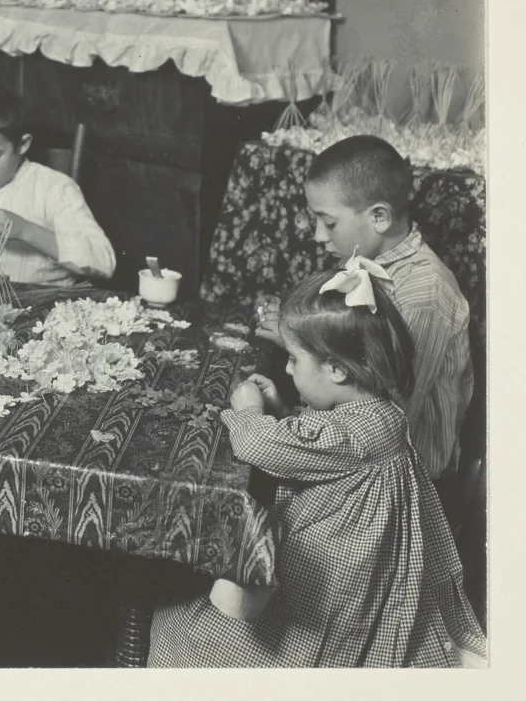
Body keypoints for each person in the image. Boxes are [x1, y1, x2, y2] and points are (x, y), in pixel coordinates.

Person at [151, 267, 487, 667]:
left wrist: (251, 412)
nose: (288, 369)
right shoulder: (380, 412)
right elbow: (324, 439)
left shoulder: (352, 436)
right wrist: (284, 410)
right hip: (362, 565)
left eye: (293, 359)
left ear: (338, 370)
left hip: (333, 583)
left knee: (177, 627)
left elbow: (256, 444)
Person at [256, 135, 473, 479]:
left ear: (380, 217)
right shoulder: (363, 262)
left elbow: (390, 411)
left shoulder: (424, 293)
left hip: (404, 478)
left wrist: (301, 347)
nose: (318, 236)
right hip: (355, 444)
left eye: (329, 223)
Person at [0, 84, 116, 287]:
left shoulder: (56, 189)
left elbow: (104, 262)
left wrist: (26, 231)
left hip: (43, 305)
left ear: (23, 144)